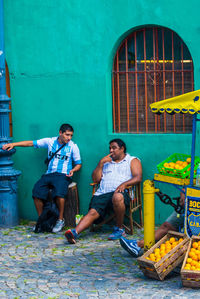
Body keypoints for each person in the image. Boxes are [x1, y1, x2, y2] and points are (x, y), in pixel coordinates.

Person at [2, 123, 82, 233]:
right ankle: (41, 220)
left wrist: (73, 170)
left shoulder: (73, 146)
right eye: (67, 135)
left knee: (59, 194)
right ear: (60, 133)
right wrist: (14, 144)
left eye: (71, 135)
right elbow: (31, 143)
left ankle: (60, 220)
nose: (69, 138)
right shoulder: (50, 141)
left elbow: (78, 164)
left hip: (63, 175)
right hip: (49, 174)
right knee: (36, 192)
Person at [64, 138, 142, 244]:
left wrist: (124, 184)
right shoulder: (106, 162)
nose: (111, 150)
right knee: (93, 212)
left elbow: (138, 177)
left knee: (117, 196)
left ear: (122, 148)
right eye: (110, 148)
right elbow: (95, 179)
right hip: (103, 193)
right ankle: (74, 233)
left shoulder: (132, 160)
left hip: (122, 193)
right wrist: (100, 164)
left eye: (114, 148)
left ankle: (119, 229)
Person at [119, 190, 185, 257]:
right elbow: (185, 182)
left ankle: (138, 244)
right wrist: (183, 192)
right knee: (166, 226)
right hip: (187, 204)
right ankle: (138, 244)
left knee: (167, 227)